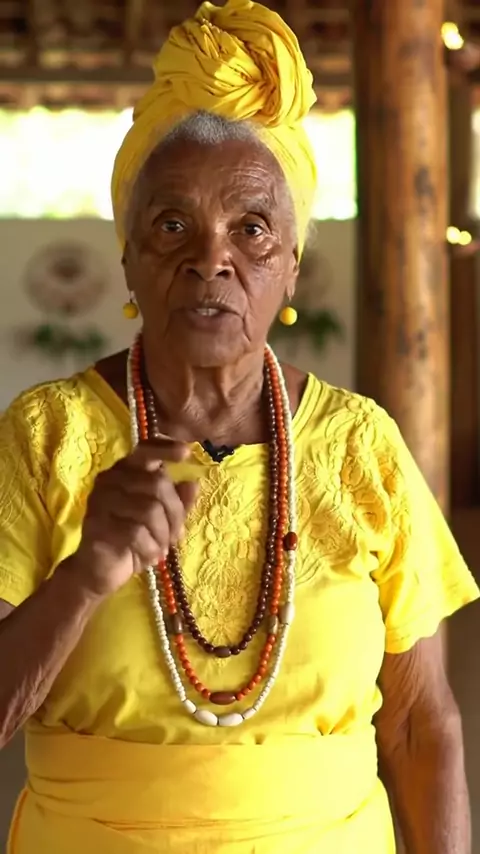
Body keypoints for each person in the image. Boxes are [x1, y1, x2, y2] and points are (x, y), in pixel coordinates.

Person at [0, 0, 477, 852]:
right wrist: (84, 576)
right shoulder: (46, 437)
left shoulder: (361, 444)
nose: (210, 258)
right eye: (171, 224)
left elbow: (418, 724)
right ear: (129, 258)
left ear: (290, 265)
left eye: (250, 229)